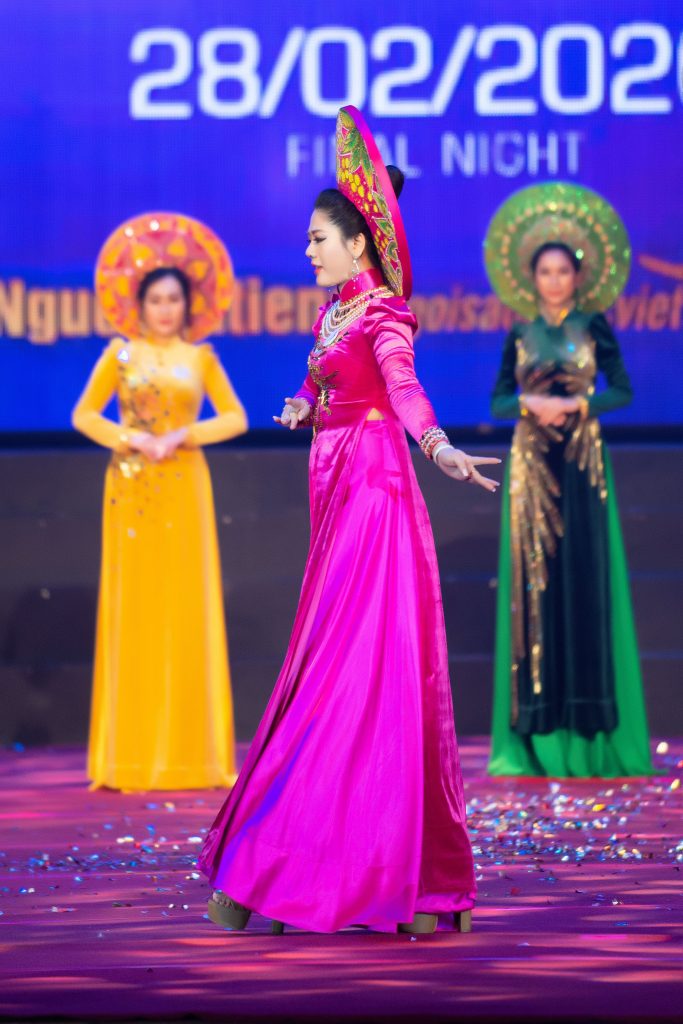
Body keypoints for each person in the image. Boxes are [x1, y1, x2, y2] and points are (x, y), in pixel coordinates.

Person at [199, 106, 500, 935]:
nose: (307, 250)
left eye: (317, 239)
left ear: (358, 244)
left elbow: (400, 388)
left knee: (352, 670)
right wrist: (304, 405)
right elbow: (322, 381)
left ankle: (323, 870)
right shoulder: (332, 313)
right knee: (332, 662)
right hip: (333, 486)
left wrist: (437, 446)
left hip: (373, 489)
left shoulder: (381, 313)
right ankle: (383, 872)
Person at [73, 212, 247, 790]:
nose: (166, 309)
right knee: (136, 612)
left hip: (184, 485)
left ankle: (190, 757)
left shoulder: (201, 359)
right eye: (156, 300)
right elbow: (84, 415)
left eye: (174, 299)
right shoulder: (120, 355)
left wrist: (182, 436)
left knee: (185, 611)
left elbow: (235, 418)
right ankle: (129, 757)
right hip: (130, 489)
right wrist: (131, 439)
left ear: (187, 305)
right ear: (140, 306)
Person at [484, 182, 653, 778]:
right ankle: (537, 732)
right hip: (533, 468)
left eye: (563, 271)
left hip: (582, 463)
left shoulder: (594, 326)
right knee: (536, 587)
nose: (554, 280)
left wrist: (579, 405)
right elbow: (498, 401)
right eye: (545, 271)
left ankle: (588, 731)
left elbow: (623, 390)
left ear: (578, 278)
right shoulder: (519, 335)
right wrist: (529, 403)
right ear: (531, 279)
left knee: (586, 580)